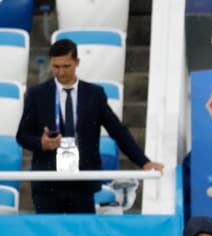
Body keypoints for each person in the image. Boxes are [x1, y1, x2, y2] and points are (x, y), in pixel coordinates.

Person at [16, 39, 163, 214]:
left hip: (82, 182)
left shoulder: (94, 94)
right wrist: (41, 143)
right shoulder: (37, 94)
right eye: (56, 67)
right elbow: (22, 135)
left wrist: (144, 162)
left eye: (66, 66)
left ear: (77, 62)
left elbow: (117, 131)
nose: (61, 72)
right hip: (47, 182)